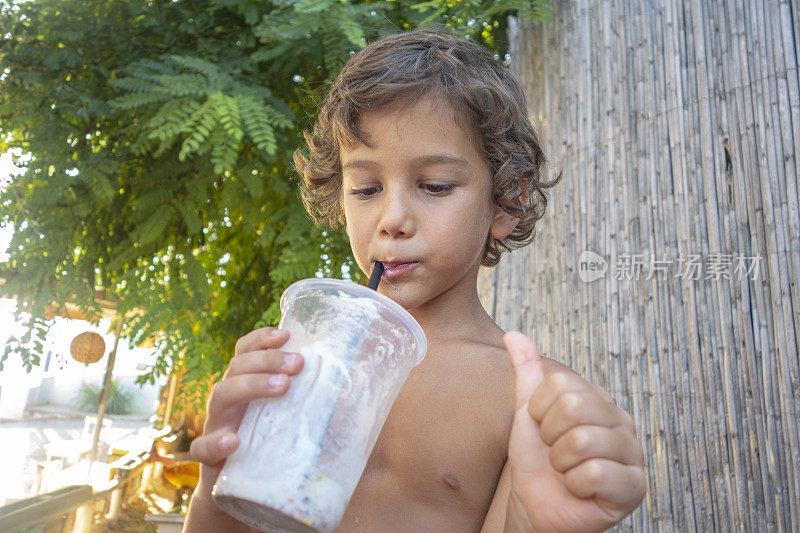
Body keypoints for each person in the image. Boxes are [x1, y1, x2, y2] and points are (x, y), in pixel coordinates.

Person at [184, 25, 646, 532]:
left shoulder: (533, 398)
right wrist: (216, 489)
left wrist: (534, 521)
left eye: (434, 185)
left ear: (506, 201)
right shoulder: (302, 363)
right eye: (365, 188)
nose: (392, 217)